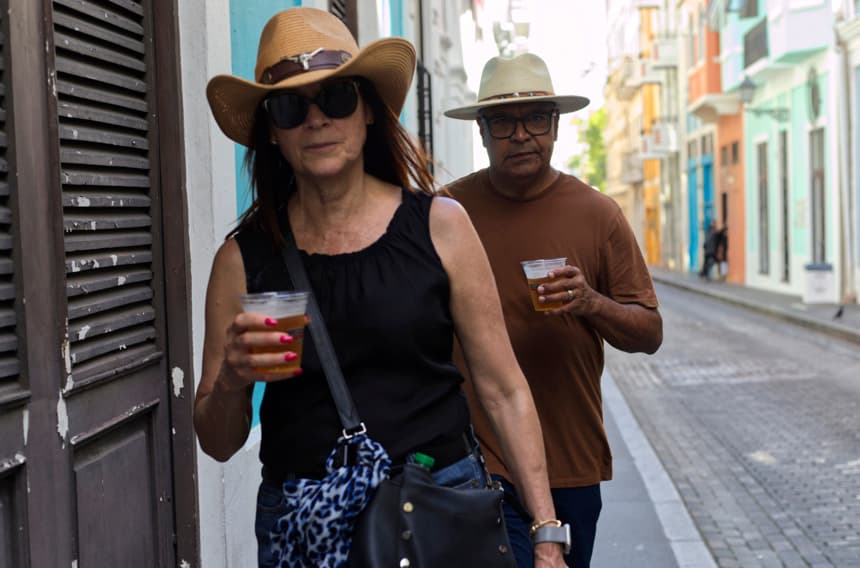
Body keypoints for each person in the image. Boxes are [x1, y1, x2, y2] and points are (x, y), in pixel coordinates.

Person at [196, 8, 566, 567]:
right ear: (272, 131)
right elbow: (218, 442)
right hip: (305, 526)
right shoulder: (241, 260)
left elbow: (503, 389)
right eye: (291, 107)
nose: (316, 120)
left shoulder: (440, 226)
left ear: (367, 109)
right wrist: (232, 378)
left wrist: (546, 534)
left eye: (337, 97)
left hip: (439, 510)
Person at [444, 53, 663, 568]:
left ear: (557, 127)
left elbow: (649, 332)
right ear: (482, 131)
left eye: (536, 118)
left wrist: (590, 302)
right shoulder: (447, 213)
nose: (521, 134)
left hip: (569, 460)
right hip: (477, 462)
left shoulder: (598, 214)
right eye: (503, 121)